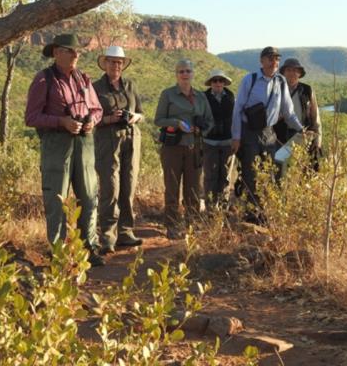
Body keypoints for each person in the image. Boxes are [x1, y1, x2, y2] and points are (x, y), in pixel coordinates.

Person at [25, 33, 104, 267]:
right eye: (70, 50)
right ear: (57, 52)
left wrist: (92, 121)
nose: (76, 54)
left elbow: (97, 109)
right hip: (56, 146)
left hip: (85, 143)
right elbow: (31, 117)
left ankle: (88, 248)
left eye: (77, 50)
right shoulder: (43, 80)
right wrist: (61, 122)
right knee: (57, 199)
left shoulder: (84, 79)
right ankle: (59, 253)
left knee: (89, 197)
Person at [231, 46, 304, 224]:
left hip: (269, 133)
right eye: (270, 59)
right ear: (262, 61)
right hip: (249, 133)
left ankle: (264, 214)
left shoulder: (280, 82)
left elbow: (288, 111)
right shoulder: (250, 79)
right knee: (250, 173)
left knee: (268, 173)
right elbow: (237, 109)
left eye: (277, 59)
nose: (274, 62)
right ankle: (251, 215)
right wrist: (236, 137)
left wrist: (301, 129)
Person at [93, 45, 144, 253]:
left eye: (119, 62)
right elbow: (91, 117)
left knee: (128, 185)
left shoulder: (130, 85)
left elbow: (141, 113)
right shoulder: (96, 87)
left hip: (132, 139)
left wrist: (134, 117)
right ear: (105, 63)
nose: (116, 65)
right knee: (110, 187)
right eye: (112, 61)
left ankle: (126, 231)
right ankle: (107, 234)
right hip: (107, 141)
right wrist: (109, 118)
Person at [154, 59, 214, 239]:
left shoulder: (201, 97)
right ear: (176, 74)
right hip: (173, 147)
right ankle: (172, 226)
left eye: (188, 71)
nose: (185, 74)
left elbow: (210, 121)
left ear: (193, 73)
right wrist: (176, 123)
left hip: (194, 147)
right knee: (172, 187)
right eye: (181, 71)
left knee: (194, 189)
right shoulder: (168, 94)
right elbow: (158, 120)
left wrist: (200, 128)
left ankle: (192, 224)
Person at [274, 58, 322, 161]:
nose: (292, 73)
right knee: (282, 170)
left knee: (308, 170)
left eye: (295, 70)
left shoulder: (307, 90)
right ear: (283, 72)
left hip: (304, 136)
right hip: (281, 137)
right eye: (289, 70)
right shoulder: (276, 89)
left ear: (299, 73)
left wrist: (318, 139)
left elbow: (315, 117)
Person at [202, 69, 235, 210]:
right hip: (209, 141)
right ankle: (210, 208)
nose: (218, 83)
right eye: (215, 80)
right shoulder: (203, 97)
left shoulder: (231, 96)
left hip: (227, 141)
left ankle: (223, 208)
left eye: (221, 80)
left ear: (224, 83)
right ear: (211, 83)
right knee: (210, 175)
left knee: (225, 176)